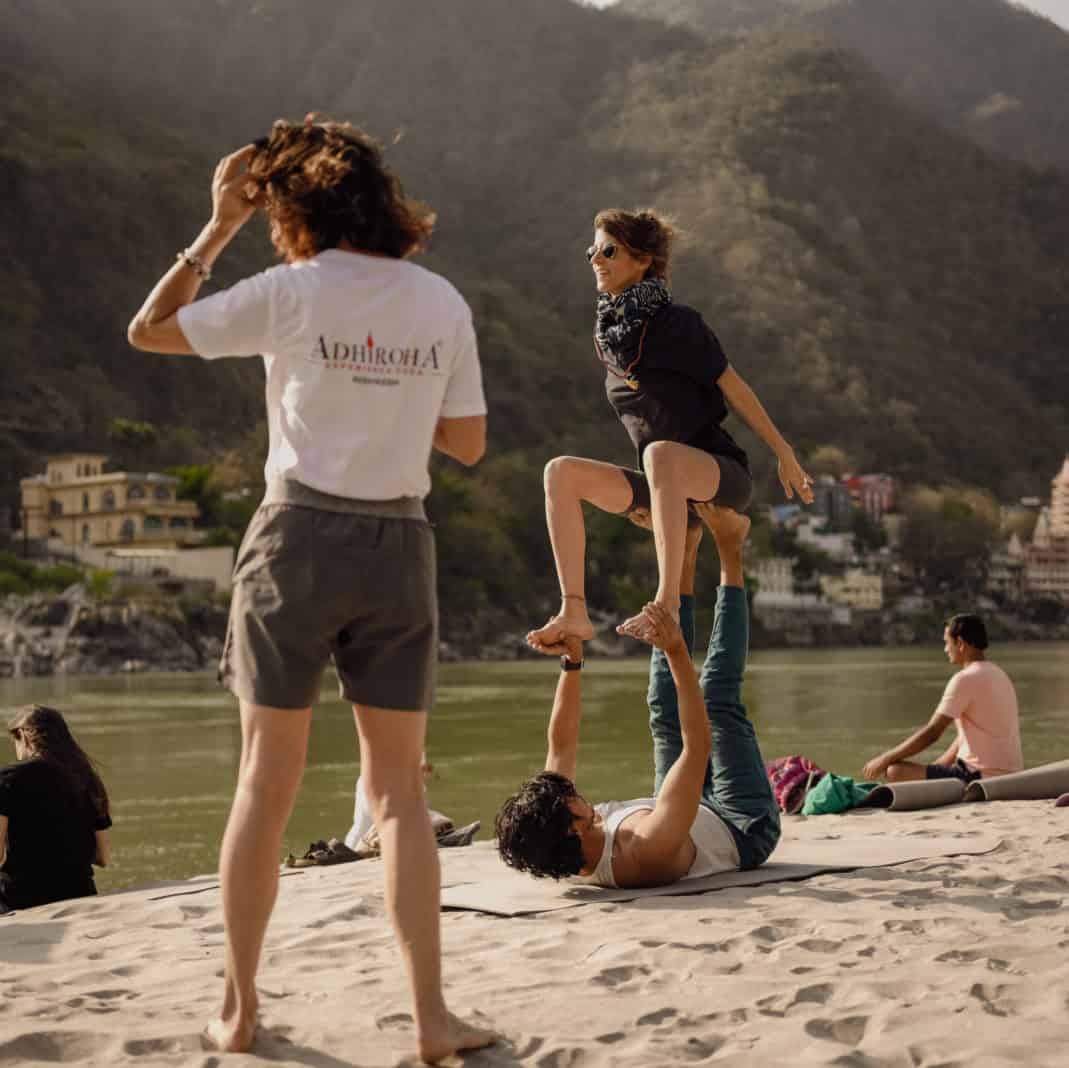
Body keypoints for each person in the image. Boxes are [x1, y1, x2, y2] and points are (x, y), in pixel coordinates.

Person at [127, 116, 494, 1063]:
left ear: (287, 209)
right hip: (397, 544)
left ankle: (241, 1012)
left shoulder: (289, 291)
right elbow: (466, 443)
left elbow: (151, 330)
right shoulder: (440, 299)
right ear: (383, 200)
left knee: (265, 782)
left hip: (295, 537)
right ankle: (429, 1021)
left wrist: (214, 228)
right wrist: (392, 399)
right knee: (402, 797)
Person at [527, 208, 813, 648]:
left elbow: (735, 387)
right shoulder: (608, 334)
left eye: (608, 251)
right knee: (559, 472)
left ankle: (665, 606)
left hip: (719, 475)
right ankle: (574, 611)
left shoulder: (679, 323)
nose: (595, 260)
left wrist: (783, 451)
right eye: (592, 252)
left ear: (643, 260)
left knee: (660, 453)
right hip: (664, 486)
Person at [498, 508, 780, 888]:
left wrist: (572, 662)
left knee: (662, 708)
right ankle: (731, 549)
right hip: (738, 821)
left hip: (675, 810)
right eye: (570, 800)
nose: (573, 791)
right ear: (573, 830)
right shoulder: (645, 852)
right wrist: (676, 651)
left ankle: (686, 550)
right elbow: (697, 746)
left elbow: (560, 744)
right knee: (716, 698)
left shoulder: (560, 837)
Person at [861, 614, 1023, 783]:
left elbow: (932, 733)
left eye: (947, 643)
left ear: (960, 643)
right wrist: (938, 766)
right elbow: (966, 736)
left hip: (979, 775)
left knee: (894, 771)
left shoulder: (965, 679)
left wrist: (885, 758)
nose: (945, 649)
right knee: (915, 770)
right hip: (1011, 773)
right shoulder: (999, 674)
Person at [0, 705, 112, 912]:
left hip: (21, 901)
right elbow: (103, 857)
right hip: (80, 895)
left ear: (24, 737)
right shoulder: (87, 778)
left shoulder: (7, 778)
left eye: (15, 741)